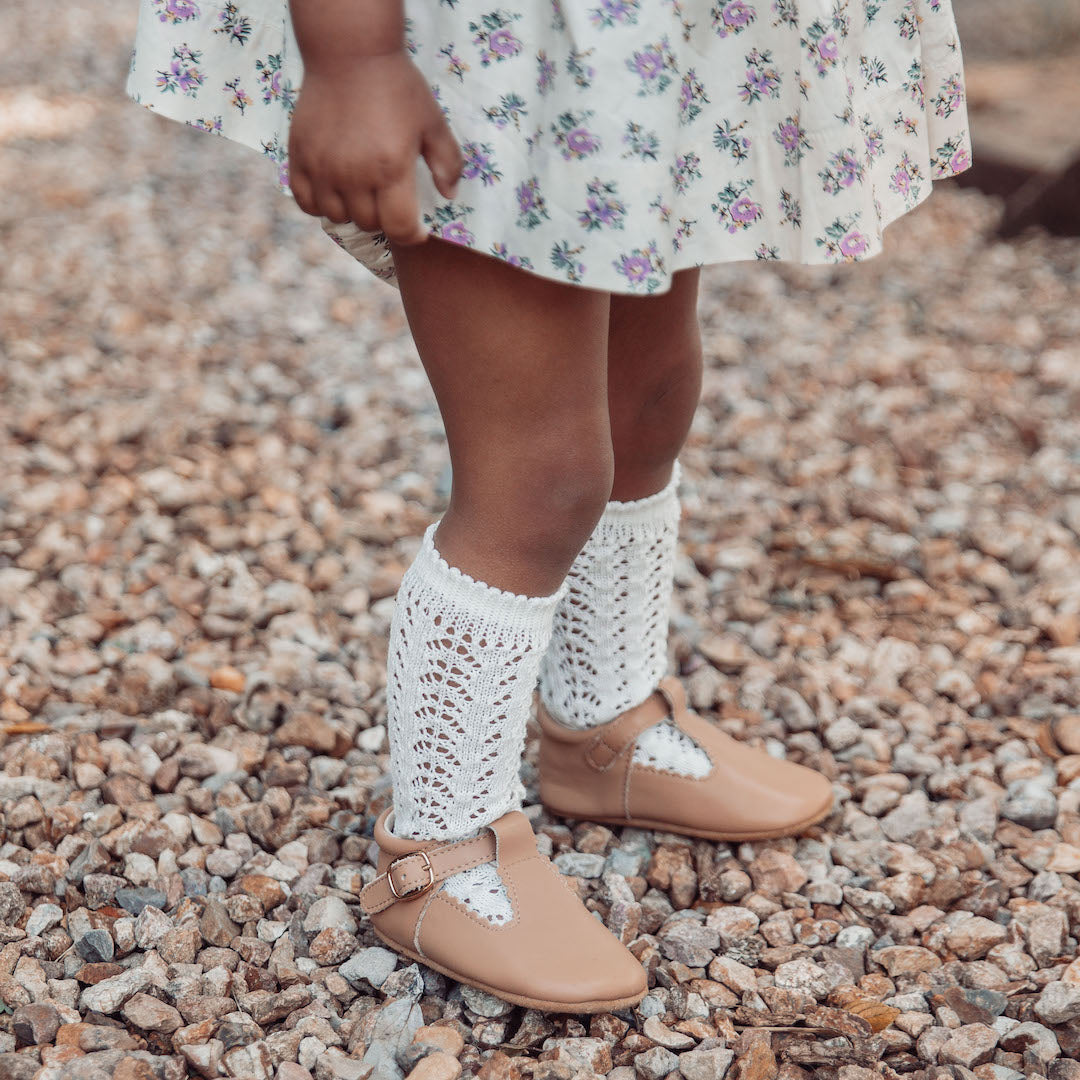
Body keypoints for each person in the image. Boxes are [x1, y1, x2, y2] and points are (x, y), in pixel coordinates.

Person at [127, 0, 973, 1012]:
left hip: (657, 44)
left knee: (648, 395)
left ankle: (602, 725)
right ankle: (440, 848)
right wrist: (353, 56)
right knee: (539, 472)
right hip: (497, 48)